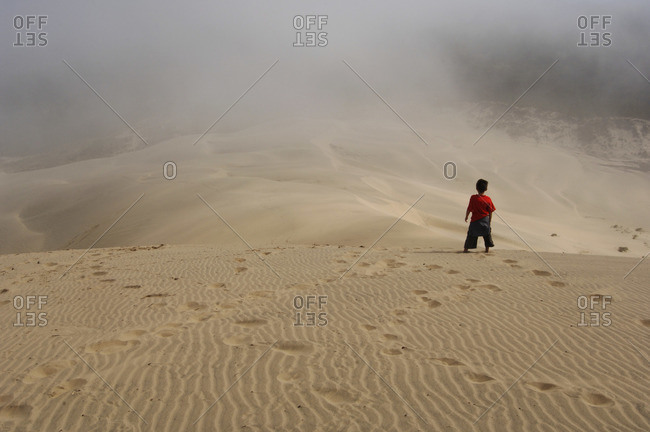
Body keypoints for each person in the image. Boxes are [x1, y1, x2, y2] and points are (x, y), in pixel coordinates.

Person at [464, 179, 496, 253]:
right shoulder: (488, 199)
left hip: (474, 221)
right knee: (487, 235)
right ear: (486, 189)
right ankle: (487, 250)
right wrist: (489, 222)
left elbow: (469, 208)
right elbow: (490, 212)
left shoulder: (473, 198)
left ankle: (466, 250)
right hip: (485, 221)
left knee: (470, 235)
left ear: (476, 188)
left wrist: (466, 217)